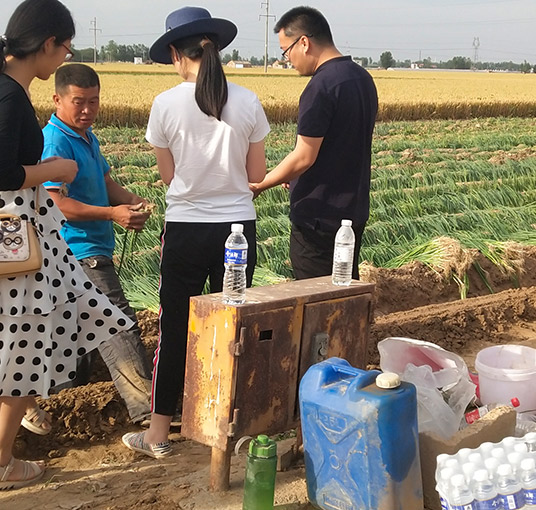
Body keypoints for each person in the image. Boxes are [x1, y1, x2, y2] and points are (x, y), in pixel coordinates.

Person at [0, 0, 132, 492]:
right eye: (64, 48)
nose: (63, 57)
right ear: (47, 44)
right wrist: (56, 172)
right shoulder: (10, 94)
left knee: (25, 333)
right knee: (29, 336)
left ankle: (2, 455)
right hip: (16, 233)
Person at [121, 6, 270, 459]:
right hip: (238, 229)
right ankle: (230, 421)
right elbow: (257, 173)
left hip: (186, 228)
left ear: (174, 54)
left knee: (176, 328)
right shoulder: (248, 101)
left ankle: (159, 433)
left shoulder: (165, 104)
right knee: (232, 323)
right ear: (217, 50)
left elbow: (169, 178)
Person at [41, 63, 153, 424]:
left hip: (88, 249)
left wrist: (131, 202)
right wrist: (111, 214)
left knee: (72, 338)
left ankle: (63, 407)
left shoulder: (87, 137)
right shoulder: (55, 141)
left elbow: (105, 182)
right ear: (57, 99)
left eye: (94, 101)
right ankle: (146, 411)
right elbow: (57, 204)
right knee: (117, 324)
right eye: (79, 102)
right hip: (79, 251)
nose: (87, 110)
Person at [250, 6, 378, 280]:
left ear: (304, 42)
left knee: (315, 302)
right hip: (352, 213)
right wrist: (295, 173)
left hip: (319, 217)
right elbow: (339, 143)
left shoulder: (320, 87)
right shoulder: (362, 78)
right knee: (344, 295)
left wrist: (261, 184)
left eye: (286, 51)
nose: (288, 60)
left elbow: (305, 156)